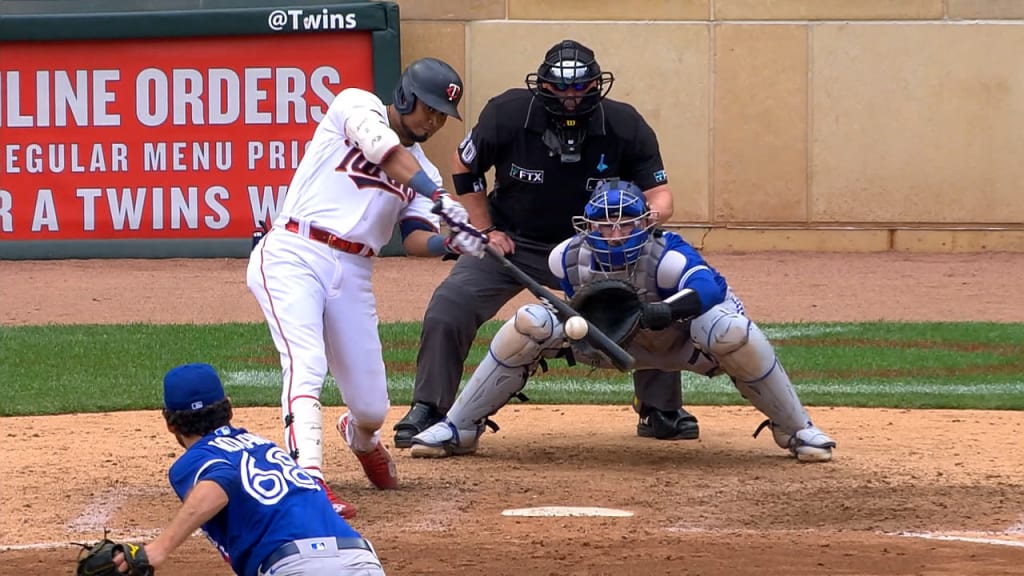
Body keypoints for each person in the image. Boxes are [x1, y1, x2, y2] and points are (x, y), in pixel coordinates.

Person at [394, 39, 698, 449]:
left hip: (597, 247)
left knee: (652, 294)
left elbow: (661, 197)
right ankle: (429, 407)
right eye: (561, 89)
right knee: (451, 303)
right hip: (515, 241)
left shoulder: (626, 125)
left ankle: (660, 408)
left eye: (580, 89)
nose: (571, 99)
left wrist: (635, 224)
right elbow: (465, 166)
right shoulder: (508, 113)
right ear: (543, 86)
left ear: (596, 86)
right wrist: (485, 230)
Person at [409, 180, 837, 463]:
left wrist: (665, 311)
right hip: (606, 340)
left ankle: (798, 429)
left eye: (625, 225)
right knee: (529, 322)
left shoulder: (665, 256)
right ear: (587, 226)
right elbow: (575, 304)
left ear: (643, 225)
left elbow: (711, 287)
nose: (614, 235)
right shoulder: (567, 256)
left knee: (730, 330)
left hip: (677, 338)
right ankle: (458, 428)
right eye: (604, 226)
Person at [246, 57, 486, 517]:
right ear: (404, 96)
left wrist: (452, 242)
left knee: (373, 407)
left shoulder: (426, 174)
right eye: (428, 108)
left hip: (354, 271)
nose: (432, 121)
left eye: (441, 116)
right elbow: (386, 155)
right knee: (306, 362)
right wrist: (442, 200)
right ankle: (308, 481)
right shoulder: (356, 106)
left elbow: (414, 239)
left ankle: (359, 437)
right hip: (295, 250)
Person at [110, 363, 385, 575]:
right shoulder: (266, 448)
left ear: (169, 423)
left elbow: (220, 482)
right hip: (362, 560)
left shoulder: (195, 460)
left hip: (296, 566)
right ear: (229, 409)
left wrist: (158, 549)